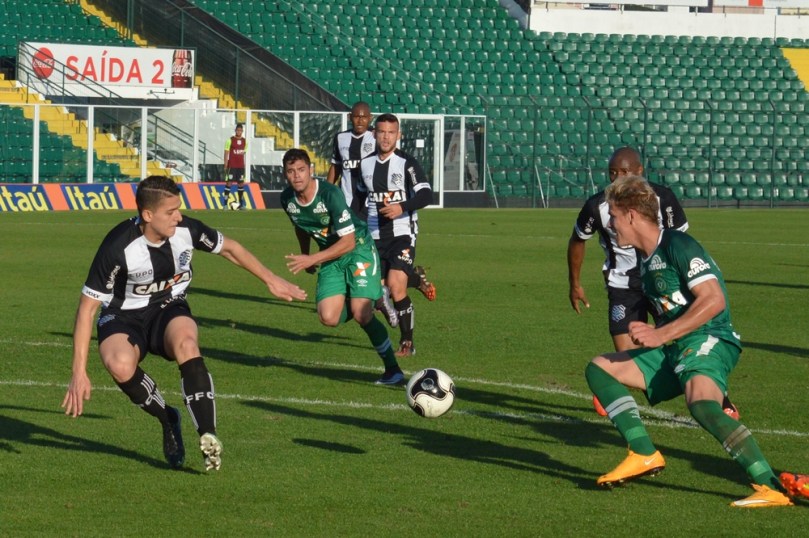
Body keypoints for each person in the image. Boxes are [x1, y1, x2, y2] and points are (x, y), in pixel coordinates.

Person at [585, 174, 808, 507]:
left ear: (631, 214)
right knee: (600, 369)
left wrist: (659, 334)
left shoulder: (677, 245)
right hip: (676, 347)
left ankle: (769, 485)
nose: (611, 225)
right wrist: (655, 335)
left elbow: (714, 299)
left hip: (710, 337)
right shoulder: (645, 262)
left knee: (700, 404)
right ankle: (644, 453)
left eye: (614, 216)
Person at [62, 175, 307, 471]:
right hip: (123, 315)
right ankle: (168, 418)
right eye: (171, 212)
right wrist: (79, 372)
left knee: (187, 343)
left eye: (179, 209)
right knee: (118, 364)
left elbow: (230, 248)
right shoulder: (118, 247)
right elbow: (87, 309)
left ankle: (208, 433)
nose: (179, 216)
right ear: (148, 215)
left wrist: (271, 280)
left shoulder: (186, 230)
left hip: (168, 306)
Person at [567, 146, 738, 419]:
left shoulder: (664, 198)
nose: (617, 179)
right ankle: (620, 398)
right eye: (613, 173)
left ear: (639, 172)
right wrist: (574, 283)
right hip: (624, 284)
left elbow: (680, 243)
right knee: (626, 350)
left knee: (679, 339)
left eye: (624, 173)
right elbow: (577, 240)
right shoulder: (597, 205)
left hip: (663, 282)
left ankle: (716, 395)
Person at [280, 148, 405, 385]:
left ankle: (393, 370)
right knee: (328, 317)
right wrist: (306, 253)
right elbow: (300, 225)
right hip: (329, 256)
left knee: (361, 313)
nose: (297, 176)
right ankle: (371, 295)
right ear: (285, 175)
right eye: (291, 171)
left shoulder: (330, 194)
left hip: (356, 247)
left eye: (301, 170)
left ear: (311, 170)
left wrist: (312, 259)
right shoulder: (287, 199)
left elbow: (347, 242)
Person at [358, 113, 436, 358]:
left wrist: (401, 207)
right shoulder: (366, 164)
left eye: (391, 133)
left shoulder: (407, 163)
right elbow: (360, 200)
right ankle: (416, 278)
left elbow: (426, 195)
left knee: (394, 286)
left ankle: (407, 343)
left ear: (398, 135)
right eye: (381, 132)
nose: (386, 137)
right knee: (376, 294)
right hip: (373, 235)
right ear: (374, 134)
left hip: (403, 232)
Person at [327, 101, 376, 217]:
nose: (360, 121)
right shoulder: (340, 137)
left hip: (370, 201)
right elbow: (336, 166)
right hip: (345, 199)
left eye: (364, 117)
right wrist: (326, 191)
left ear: (370, 118)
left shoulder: (376, 136)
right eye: (356, 117)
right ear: (350, 117)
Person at [223, 123, 248, 209]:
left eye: (240, 130)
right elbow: (226, 152)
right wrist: (225, 164)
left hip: (240, 166)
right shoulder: (230, 140)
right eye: (238, 130)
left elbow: (243, 152)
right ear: (235, 130)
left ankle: (242, 204)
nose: (239, 132)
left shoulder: (245, 141)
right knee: (229, 183)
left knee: (241, 184)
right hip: (232, 165)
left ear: (242, 131)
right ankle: (225, 204)